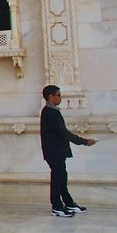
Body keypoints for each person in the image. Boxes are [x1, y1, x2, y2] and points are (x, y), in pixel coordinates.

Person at [40, 84, 96, 217]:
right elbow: (64, 133)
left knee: (62, 178)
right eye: (58, 95)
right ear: (51, 96)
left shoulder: (53, 111)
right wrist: (84, 141)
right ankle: (57, 207)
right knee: (57, 178)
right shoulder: (50, 113)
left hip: (57, 152)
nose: (60, 98)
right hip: (54, 153)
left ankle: (68, 203)